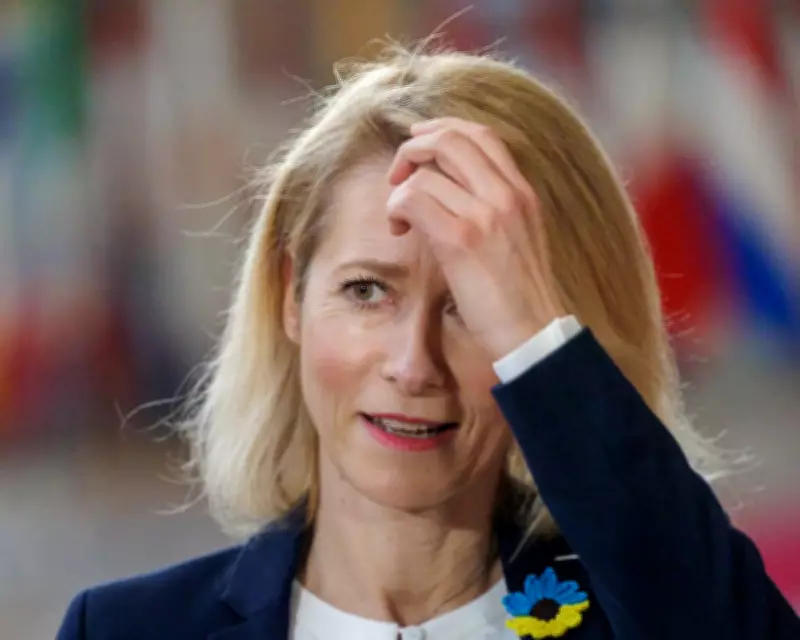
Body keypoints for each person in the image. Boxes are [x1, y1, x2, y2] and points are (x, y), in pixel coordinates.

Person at [56, 45, 800, 640]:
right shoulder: (125, 629)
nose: (413, 366)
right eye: (366, 291)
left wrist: (533, 336)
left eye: (471, 307)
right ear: (290, 295)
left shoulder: (649, 614)